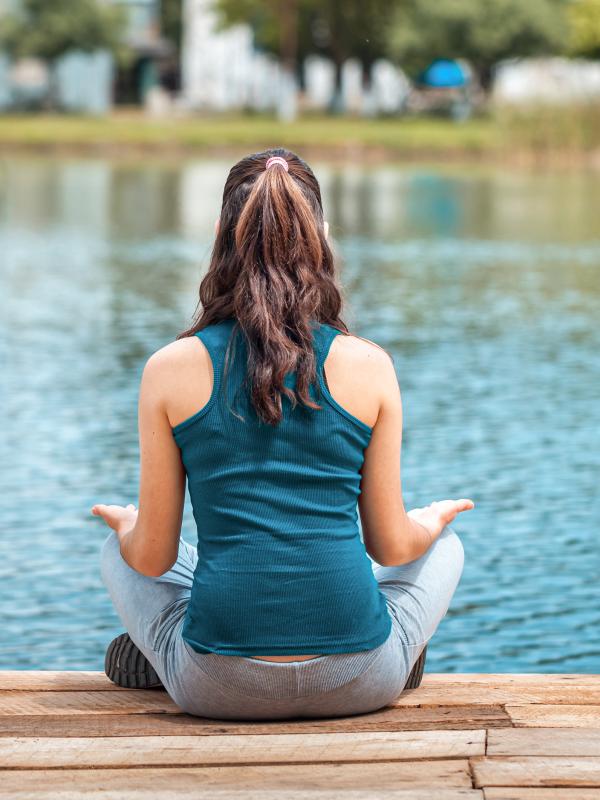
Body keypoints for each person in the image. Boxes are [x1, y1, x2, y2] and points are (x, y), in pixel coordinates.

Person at [93, 148, 473, 721]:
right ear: (321, 235)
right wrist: (433, 520)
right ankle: (397, 647)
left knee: (124, 553)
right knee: (441, 545)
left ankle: (165, 652)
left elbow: (152, 557)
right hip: (361, 679)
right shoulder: (369, 365)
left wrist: (127, 528)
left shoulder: (169, 368)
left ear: (221, 232)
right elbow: (391, 546)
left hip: (213, 687)